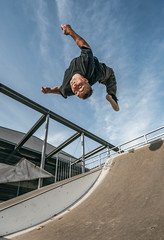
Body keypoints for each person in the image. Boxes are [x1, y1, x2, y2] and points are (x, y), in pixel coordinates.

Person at [41, 24, 119, 111]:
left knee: (84, 86)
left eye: (76, 92)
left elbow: (60, 90)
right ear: (85, 80)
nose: (75, 88)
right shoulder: (86, 62)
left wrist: (50, 91)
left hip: (93, 77)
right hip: (101, 72)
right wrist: (70, 31)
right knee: (110, 74)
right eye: (80, 87)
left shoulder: (68, 89)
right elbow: (84, 46)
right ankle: (113, 96)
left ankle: (111, 96)